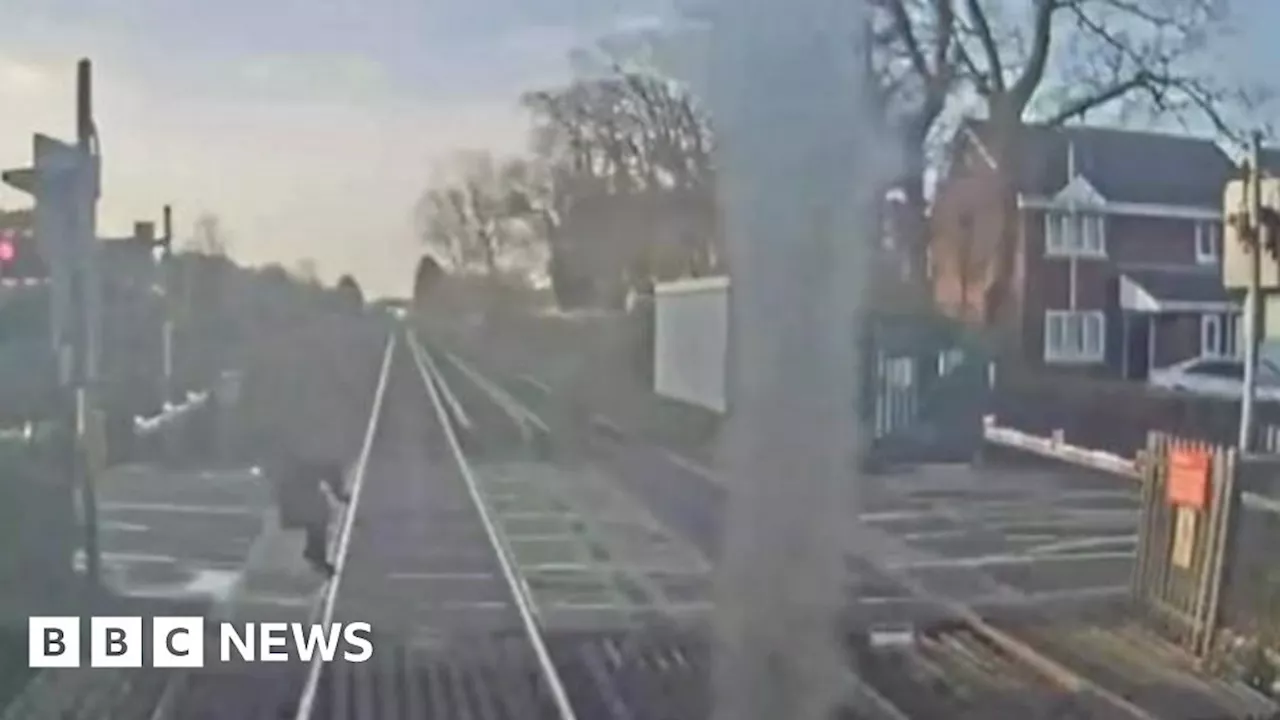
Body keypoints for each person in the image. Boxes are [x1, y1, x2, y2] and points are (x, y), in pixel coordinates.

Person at [240, 278, 377, 578]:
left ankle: (315, 549)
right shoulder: (308, 355)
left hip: (298, 440)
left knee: (315, 492)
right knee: (312, 498)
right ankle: (315, 549)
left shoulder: (302, 350)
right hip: (295, 442)